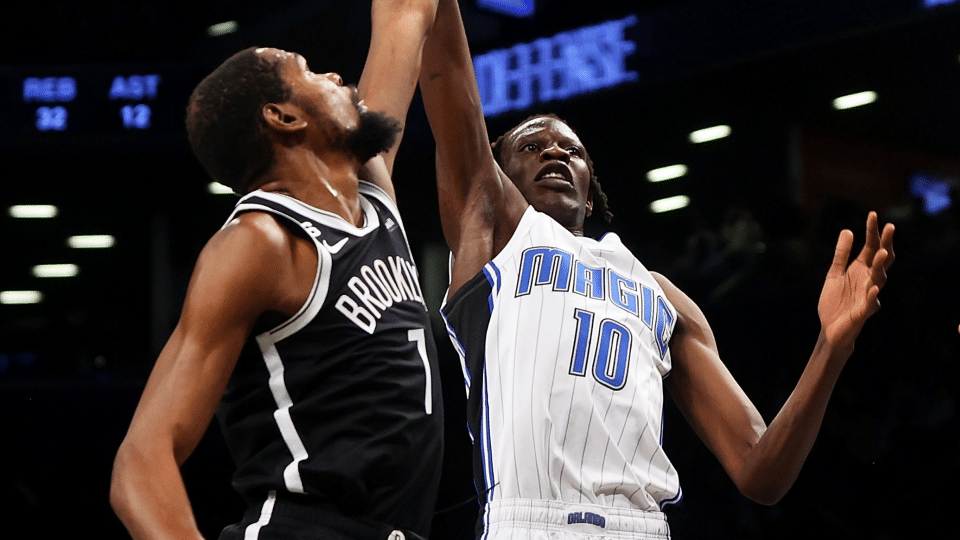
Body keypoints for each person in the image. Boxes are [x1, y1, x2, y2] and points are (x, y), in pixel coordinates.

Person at [417, 1, 895, 538]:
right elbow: (449, 75)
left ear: (592, 195)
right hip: (531, 518)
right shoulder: (495, 238)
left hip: (643, 524)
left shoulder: (660, 295)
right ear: (493, 179)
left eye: (571, 150)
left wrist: (831, 347)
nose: (554, 151)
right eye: (531, 145)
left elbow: (761, 472)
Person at [109, 2, 444, 539]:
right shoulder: (258, 243)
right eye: (309, 70)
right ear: (283, 117)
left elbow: (407, 12)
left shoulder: (373, 195)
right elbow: (140, 462)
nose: (336, 76)